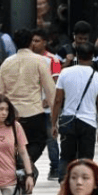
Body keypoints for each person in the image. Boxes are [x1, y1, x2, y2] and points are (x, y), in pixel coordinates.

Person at [0, 28, 55, 166]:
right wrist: (55, 115)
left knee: (13, 144)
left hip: (12, 114)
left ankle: (19, 165)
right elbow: (50, 90)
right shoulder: (40, 61)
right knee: (38, 142)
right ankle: (25, 164)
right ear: (31, 43)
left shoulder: (6, 63)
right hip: (34, 112)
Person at [50, 42, 98, 180]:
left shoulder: (65, 73)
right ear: (92, 57)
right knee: (86, 158)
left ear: (76, 55)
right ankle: (84, 185)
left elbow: (58, 100)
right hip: (88, 122)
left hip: (68, 120)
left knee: (66, 156)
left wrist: (54, 124)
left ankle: (64, 184)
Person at [31, 28, 63, 180]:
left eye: (37, 41)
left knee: (51, 137)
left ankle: (55, 167)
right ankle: (28, 165)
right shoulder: (28, 58)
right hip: (30, 106)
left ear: (45, 42)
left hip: (46, 107)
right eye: (32, 41)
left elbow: (56, 82)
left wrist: (49, 99)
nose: (34, 44)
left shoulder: (52, 60)